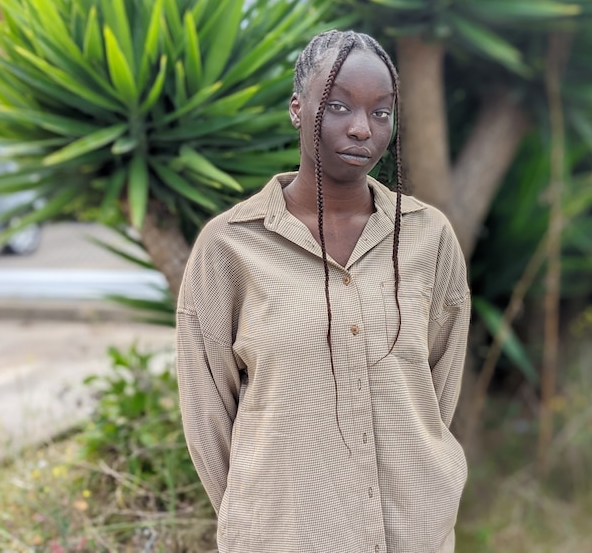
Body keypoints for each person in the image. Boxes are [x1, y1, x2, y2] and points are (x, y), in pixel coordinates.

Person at [176, 29, 471, 553]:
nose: (362, 129)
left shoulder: (428, 237)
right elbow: (207, 414)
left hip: (413, 531)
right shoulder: (229, 247)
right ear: (297, 108)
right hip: (283, 534)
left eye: (381, 112)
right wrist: (260, 513)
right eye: (338, 106)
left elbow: (436, 393)